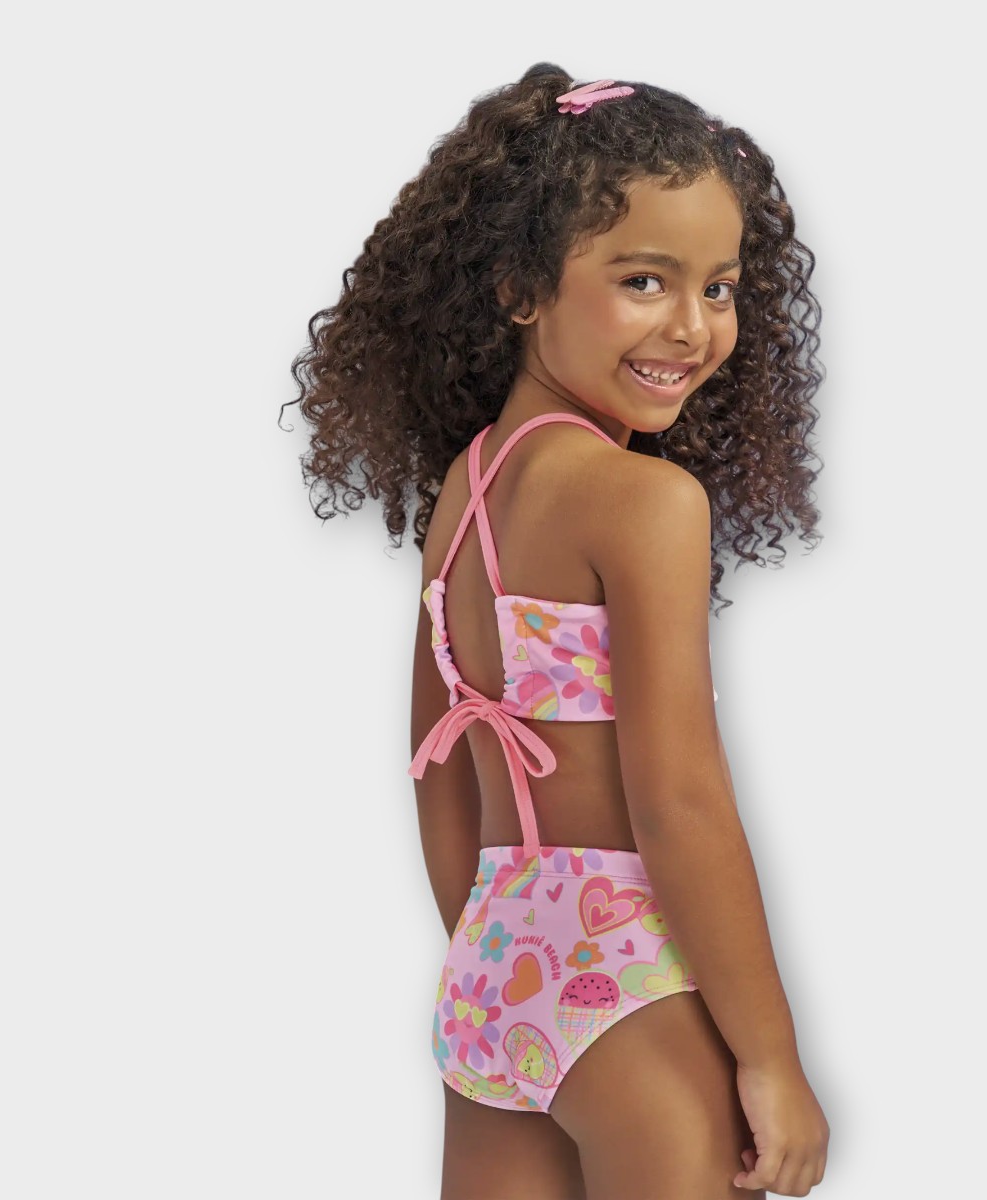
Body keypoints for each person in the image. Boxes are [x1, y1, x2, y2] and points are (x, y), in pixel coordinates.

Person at [286, 63, 830, 1199]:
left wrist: (498, 956)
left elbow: (436, 766)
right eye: (644, 279)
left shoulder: (470, 488)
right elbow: (678, 801)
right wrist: (772, 1057)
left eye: (720, 287)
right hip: (627, 978)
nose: (692, 326)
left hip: (492, 973)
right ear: (520, 287)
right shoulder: (646, 502)